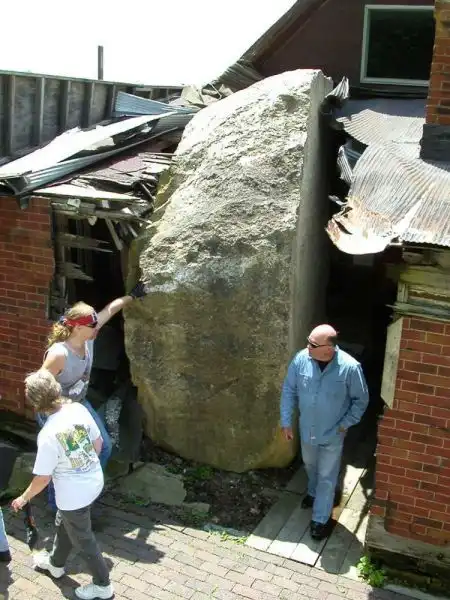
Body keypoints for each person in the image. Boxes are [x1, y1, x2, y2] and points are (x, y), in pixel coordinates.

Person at [38, 283, 147, 510]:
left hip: (79, 404)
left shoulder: (88, 338)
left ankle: (84, 491)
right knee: (63, 460)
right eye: (93, 326)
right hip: (55, 411)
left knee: (103, 447)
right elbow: (39, 387)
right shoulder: (59, 354)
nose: (98, 328)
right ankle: (58, 506)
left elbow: (111, 309)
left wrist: (132, 295)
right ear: (78, 328)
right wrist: (58, 412)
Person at [12, 369, 114, 600]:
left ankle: (103, 585)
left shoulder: (48, 435)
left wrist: (24, 498)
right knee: (65, 521)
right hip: (94, 480)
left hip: (74, 495)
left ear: (36, 404)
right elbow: (98, 444)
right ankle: (55, 563)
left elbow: (43, 478)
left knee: (83, 539)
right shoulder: (78, 408)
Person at [280, 324, 369, 541]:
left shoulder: (350, 368)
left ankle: (320, 520)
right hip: (307, 429)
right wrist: (286, 421)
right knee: (310, 465)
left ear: (328, 349)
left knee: (327, 477)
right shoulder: (301, 359)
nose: (307, 347)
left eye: (312, 344)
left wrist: (344, 424)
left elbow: (361, 400)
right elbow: (289, 390)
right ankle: (313, 493)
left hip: (333, 433)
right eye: (308, 342)